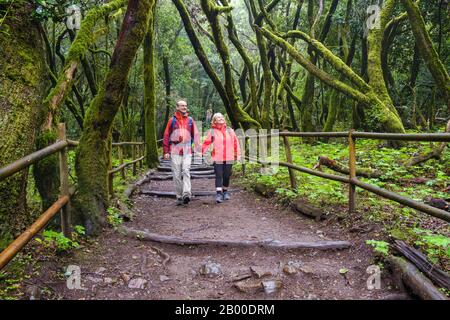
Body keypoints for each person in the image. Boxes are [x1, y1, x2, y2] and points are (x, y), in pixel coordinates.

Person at [163, 100, 200, 205]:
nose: (184, 107)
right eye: (182, 105)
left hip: (187, 149)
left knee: (186, 170)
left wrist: (197, 149)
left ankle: (186, 194)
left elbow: (196, 134)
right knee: (176, 174)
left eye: (185, 105)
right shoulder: (172, 120)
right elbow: (166, 135)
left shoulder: (190, 120)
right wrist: (166, 151)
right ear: (177, 107)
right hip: (175, 149)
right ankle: (179, 196)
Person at [201, 113, 241, 203]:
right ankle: (218, 194)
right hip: (217, 157)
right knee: (219, 175)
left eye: (222, 117)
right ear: (215, 121)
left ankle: (225, 192)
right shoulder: (212, 131)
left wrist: (238, 155)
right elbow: (206, 143)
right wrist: (201, 152)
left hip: (229, 156)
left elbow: (236, 143)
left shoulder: (230, 131)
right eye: (218, 117)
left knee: (226, 175)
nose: (221, 118)